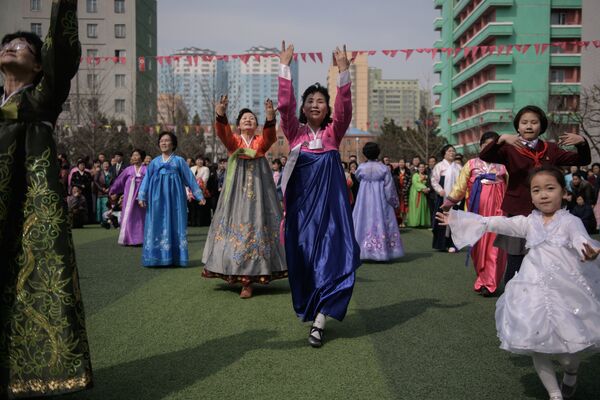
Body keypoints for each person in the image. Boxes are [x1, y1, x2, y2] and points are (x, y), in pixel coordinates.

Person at [438, 166, 600, 400]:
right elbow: (494, 222)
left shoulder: (570, 221)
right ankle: (555, 394)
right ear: (531, 196)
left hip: (567, 290)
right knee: (534, 342)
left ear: (564, 193)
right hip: (532, 289)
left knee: (568, 354)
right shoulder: (528, 222)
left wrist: (591, 251)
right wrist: (457, 218)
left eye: (550, 188)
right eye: (537, 190)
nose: (543, 194)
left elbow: (581, 240)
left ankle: (571, 372)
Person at [0, 1, 92, 396]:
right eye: (8, 44)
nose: (11, 47)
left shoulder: (44, 96)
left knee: (31, 282)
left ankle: (37, 373)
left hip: (27, 212)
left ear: (39, 66)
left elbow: (62, 50)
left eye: (22, 45)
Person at [278, 41, 360, 347]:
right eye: (310, 100)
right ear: (303, 107)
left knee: (334, 259)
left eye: (320, 101)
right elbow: (283, 107)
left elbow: (345, 108)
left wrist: (344, 71)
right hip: (302, 215)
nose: (315, 104)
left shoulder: (333, 134)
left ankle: (321, 321)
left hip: (332, 213)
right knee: (304, 261)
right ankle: (313, 310)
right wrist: (284, 67)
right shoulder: (294, 133)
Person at [479, 105, 591, 284]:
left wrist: (582, 142)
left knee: (544, 258)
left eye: (534, 122)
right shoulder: (510, 148)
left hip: (546, 213)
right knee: (515, 261)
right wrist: (500, 139)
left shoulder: (551, 149)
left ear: (541, 126)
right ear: (518, 127)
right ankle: (511, 303)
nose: (529, 126)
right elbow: (484, 155)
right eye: (524, 122)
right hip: (518, 211)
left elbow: (583, 160)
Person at [202, 97, 287, 298]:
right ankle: (240, 275)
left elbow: (269, 138)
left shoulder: (260, 142)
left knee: (259, 222)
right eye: (244, 118)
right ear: (238, 125)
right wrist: (220, 114)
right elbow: (223, 135)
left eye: (252, 118)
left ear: (256, 125)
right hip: (236, 191)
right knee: (235, 223)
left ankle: (252, 277)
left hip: (260, 190)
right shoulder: (235, 141)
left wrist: (269, 116)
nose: (248, 120)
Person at [442, 132, 508, 296]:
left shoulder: (504, 166)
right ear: (480, 146)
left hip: (498, 213)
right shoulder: (471, 164)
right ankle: (482, 277)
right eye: (486, 144)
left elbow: (512, 187)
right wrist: (448, 203)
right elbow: (460, 187)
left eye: (494, 145)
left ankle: (490, 283)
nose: (490, 148)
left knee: (495, 248)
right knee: (477, 248)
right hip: (474, 213)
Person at [138, 132, 205, 267]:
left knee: (175, 222)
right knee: (156, 222)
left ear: (173, 144)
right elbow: (147, 179)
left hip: (175, 199)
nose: (163, 143)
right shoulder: (154, 162)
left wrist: (199, 196)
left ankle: (176, 257)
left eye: (167, 140)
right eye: (161, 140)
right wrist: (142, 196)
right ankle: (155, 257)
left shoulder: (179, 161)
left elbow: (190, 179)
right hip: (156, 198)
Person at [352, 142, 404, 261]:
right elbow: (389, 188)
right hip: (380, 199)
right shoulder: (383, 168)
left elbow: (357, 178)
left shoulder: (361, 167)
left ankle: (362, 250)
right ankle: (381, 251)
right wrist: (394, 203)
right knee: (380, 219)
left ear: (365, 154)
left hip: (364, 199)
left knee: (362, 220)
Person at [109, 149, 147, 246]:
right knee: (129, 216)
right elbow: (119, 181)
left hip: (142, 197)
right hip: (129, 197)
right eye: (133, 155)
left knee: (141, 218)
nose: (134, 157)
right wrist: (113, 190)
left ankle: (141, 239)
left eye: (137, 155)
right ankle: (128, 239)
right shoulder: (128, 170)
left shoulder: (147, 169)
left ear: (142, 157)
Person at [430, 145, 462, 252]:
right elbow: (434, 180)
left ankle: (453, 244)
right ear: (444, 153)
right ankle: (442, 244)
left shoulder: (459, 167)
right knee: (441, 218)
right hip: (443, 196)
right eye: (449, 151)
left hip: (455, 197)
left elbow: (463, 182)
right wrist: (439, 190)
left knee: (455, 219)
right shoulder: (439, 166)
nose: (452, 153)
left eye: (453, 151)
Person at [188, 155, 211, 227]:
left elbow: (205, 179)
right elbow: (189, 178)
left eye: (201, 160)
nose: (199, 161)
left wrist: (197, 183)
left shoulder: (206, 169)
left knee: (200, 208)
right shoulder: (192, 168)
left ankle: (199, 222)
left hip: (201, 190)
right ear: (195, 161)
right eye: (198, 160)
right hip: (191, 190)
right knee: (192, 207)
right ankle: (192, 222)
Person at [406, 162, 431, 227]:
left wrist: (427, 189)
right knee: (415, 207)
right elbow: (415, 183)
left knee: (422, 207)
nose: (421, 168)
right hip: (415, 193)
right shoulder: (415, 175)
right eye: (420, 167)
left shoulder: (427, 176)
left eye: (423, 167)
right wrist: (424, 188)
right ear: (418, 168)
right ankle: (414, 222)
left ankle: (422, 222)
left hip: (423, 194)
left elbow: (429, 183)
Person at [71, 159, 94, 223]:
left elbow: (90, 182)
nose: (82, 166)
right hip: (77, 193)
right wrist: (80, 186)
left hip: (87, 192)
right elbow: (72, 183)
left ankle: (89, 220)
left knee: (88, 205)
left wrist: (84, 186)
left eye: (83, 165)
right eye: (81, 165)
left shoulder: (87, 174)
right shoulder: (74, 174)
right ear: (78, 166)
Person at [394, 159, 411, 227]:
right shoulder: (395, 171)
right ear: (398, 163)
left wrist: (405, 189)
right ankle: (398, 222)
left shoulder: (408, 171)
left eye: (403, 162)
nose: (401, 163)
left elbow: (409, 181)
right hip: (397, 192)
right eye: (400, 162)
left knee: (404, 207)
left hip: (405, 192)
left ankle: (403, 222)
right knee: (398, 208)